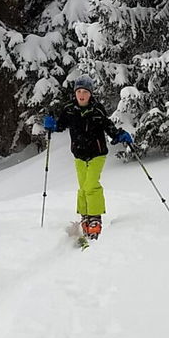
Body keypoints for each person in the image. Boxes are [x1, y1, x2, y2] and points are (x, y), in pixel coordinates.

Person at [43, 76, 133, 239]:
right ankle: (85, 215)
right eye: (79, 91)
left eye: (85, 91)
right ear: (75, 93)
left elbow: (108, 127)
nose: (82, 95)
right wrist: (52, 125)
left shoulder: (97, 110)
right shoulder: (69, 109)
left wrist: (120, 135)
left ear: (90, 94)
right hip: (79, 154)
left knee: (91, 185)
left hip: (97, 154)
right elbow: (60, 125)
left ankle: (95, 218)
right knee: (83, 186)